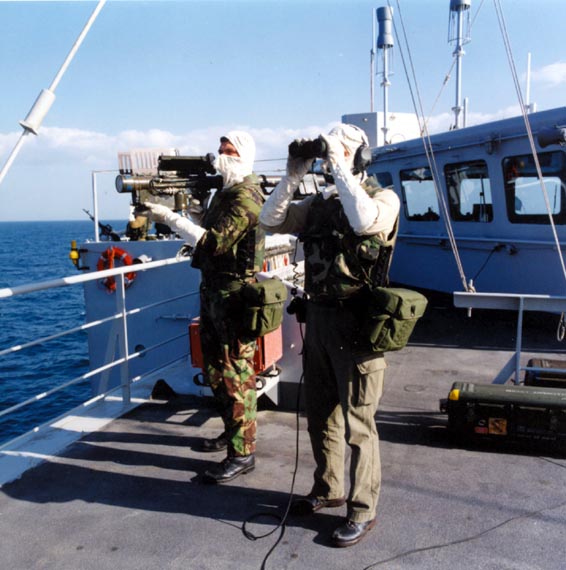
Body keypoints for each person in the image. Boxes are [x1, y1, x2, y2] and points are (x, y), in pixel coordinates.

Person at [259, 124, 400, 547]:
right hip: (319, 321)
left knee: (359, 423)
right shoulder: (319, 206)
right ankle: (328, 487)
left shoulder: (384, 199)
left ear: (359, 158)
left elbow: (362, 224)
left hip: (358, 324)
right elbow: (270, 221)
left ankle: (362, 509)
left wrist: (339, 164)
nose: (330, 158)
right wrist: (293, 173)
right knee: (320, 414)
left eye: (341, 152)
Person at [144, 131, 265, 484]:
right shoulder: (226, 192)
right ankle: (233, 433)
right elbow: (207, 224)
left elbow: (213, 243)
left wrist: (170, 218)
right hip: (215, 292)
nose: (220, 156)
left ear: (244, 157)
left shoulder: (246, 197)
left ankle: (243, 454)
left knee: (236, 376)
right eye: (220, 150)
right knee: (216, 372)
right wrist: (190, 209)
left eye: (229, 152)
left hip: (233, 295)